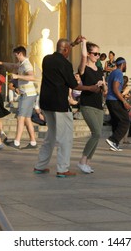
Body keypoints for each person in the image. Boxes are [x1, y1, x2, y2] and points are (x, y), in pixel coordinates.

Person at [34, 37, 100, 178]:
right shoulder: (65, 63)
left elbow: (62, 47)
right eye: (69, 50)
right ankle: (62, 169)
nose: (69, 52)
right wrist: (91, 88)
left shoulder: (47, 59)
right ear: (65, 50)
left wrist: (74, 44)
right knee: (65, 137)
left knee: (51, 135)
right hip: (59, 104)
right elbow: (74, 85)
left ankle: (40, 166)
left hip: (46, 102)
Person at [0, 46, 38, 150]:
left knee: (20, 118)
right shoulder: (21, 63)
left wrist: (18, 76)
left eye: (16, 55)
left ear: (20, 54)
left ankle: (17, 142)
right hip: (28, 94)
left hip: (27, 94)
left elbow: (32, 77)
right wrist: (1, 63)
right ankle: (33, 142)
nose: (15, 57)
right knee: (27, 119)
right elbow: (12, 65)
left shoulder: (27, 64)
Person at [76, 38, 107, 174]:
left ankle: (88, 162)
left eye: (98, 54)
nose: (97, 56)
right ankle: (82, 161)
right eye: (95, 54)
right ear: (88, 54)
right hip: (87, 104)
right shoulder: (84, 68)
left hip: (98, 105)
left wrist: (103, 85)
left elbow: (105, 92)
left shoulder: (99, 70)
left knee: (97, 135)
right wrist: (83, 43)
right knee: (96, 133)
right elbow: (82, 56)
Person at [105, 57, 131, 152]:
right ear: (123, 64)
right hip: (114, 100)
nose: (126, 66)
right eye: (126, 64)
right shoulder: (119, 73)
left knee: (116, 122)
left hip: (110, 99)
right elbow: (116, 89)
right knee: (125, 120)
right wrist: (124, 102)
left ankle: (114, 144)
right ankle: (113, 139)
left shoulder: (113, 72)